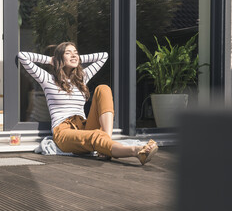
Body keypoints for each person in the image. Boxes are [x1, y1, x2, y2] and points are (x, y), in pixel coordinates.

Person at [18, 42, 158, 165]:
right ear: (60, 58)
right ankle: (136, 151)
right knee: (95, 135)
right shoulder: (48, 79)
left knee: (103, 88)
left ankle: (106, 143)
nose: (74, 55)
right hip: (64, 131)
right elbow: (22, 56)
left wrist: (77, 59)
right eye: (68, 53)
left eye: (76, 53)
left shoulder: (81, 78)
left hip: (84, 125)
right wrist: (51, 60)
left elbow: (104, 56)